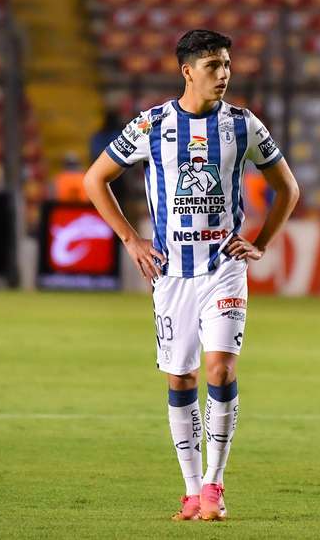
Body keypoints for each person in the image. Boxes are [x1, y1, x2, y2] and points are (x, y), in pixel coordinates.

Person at [83, 29, 299, 521]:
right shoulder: (151, 124)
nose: (223, 74)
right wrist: (131, 240)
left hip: (224, 268)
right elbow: (95, 179)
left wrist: (260, 243)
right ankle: (190, 490)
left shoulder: (244, 125)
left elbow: (288, 188)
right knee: (181, 378)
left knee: (221, 370)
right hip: (171, 275)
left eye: (226, 64)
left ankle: (215, 487)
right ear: (187, 71)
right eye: (212, 66)